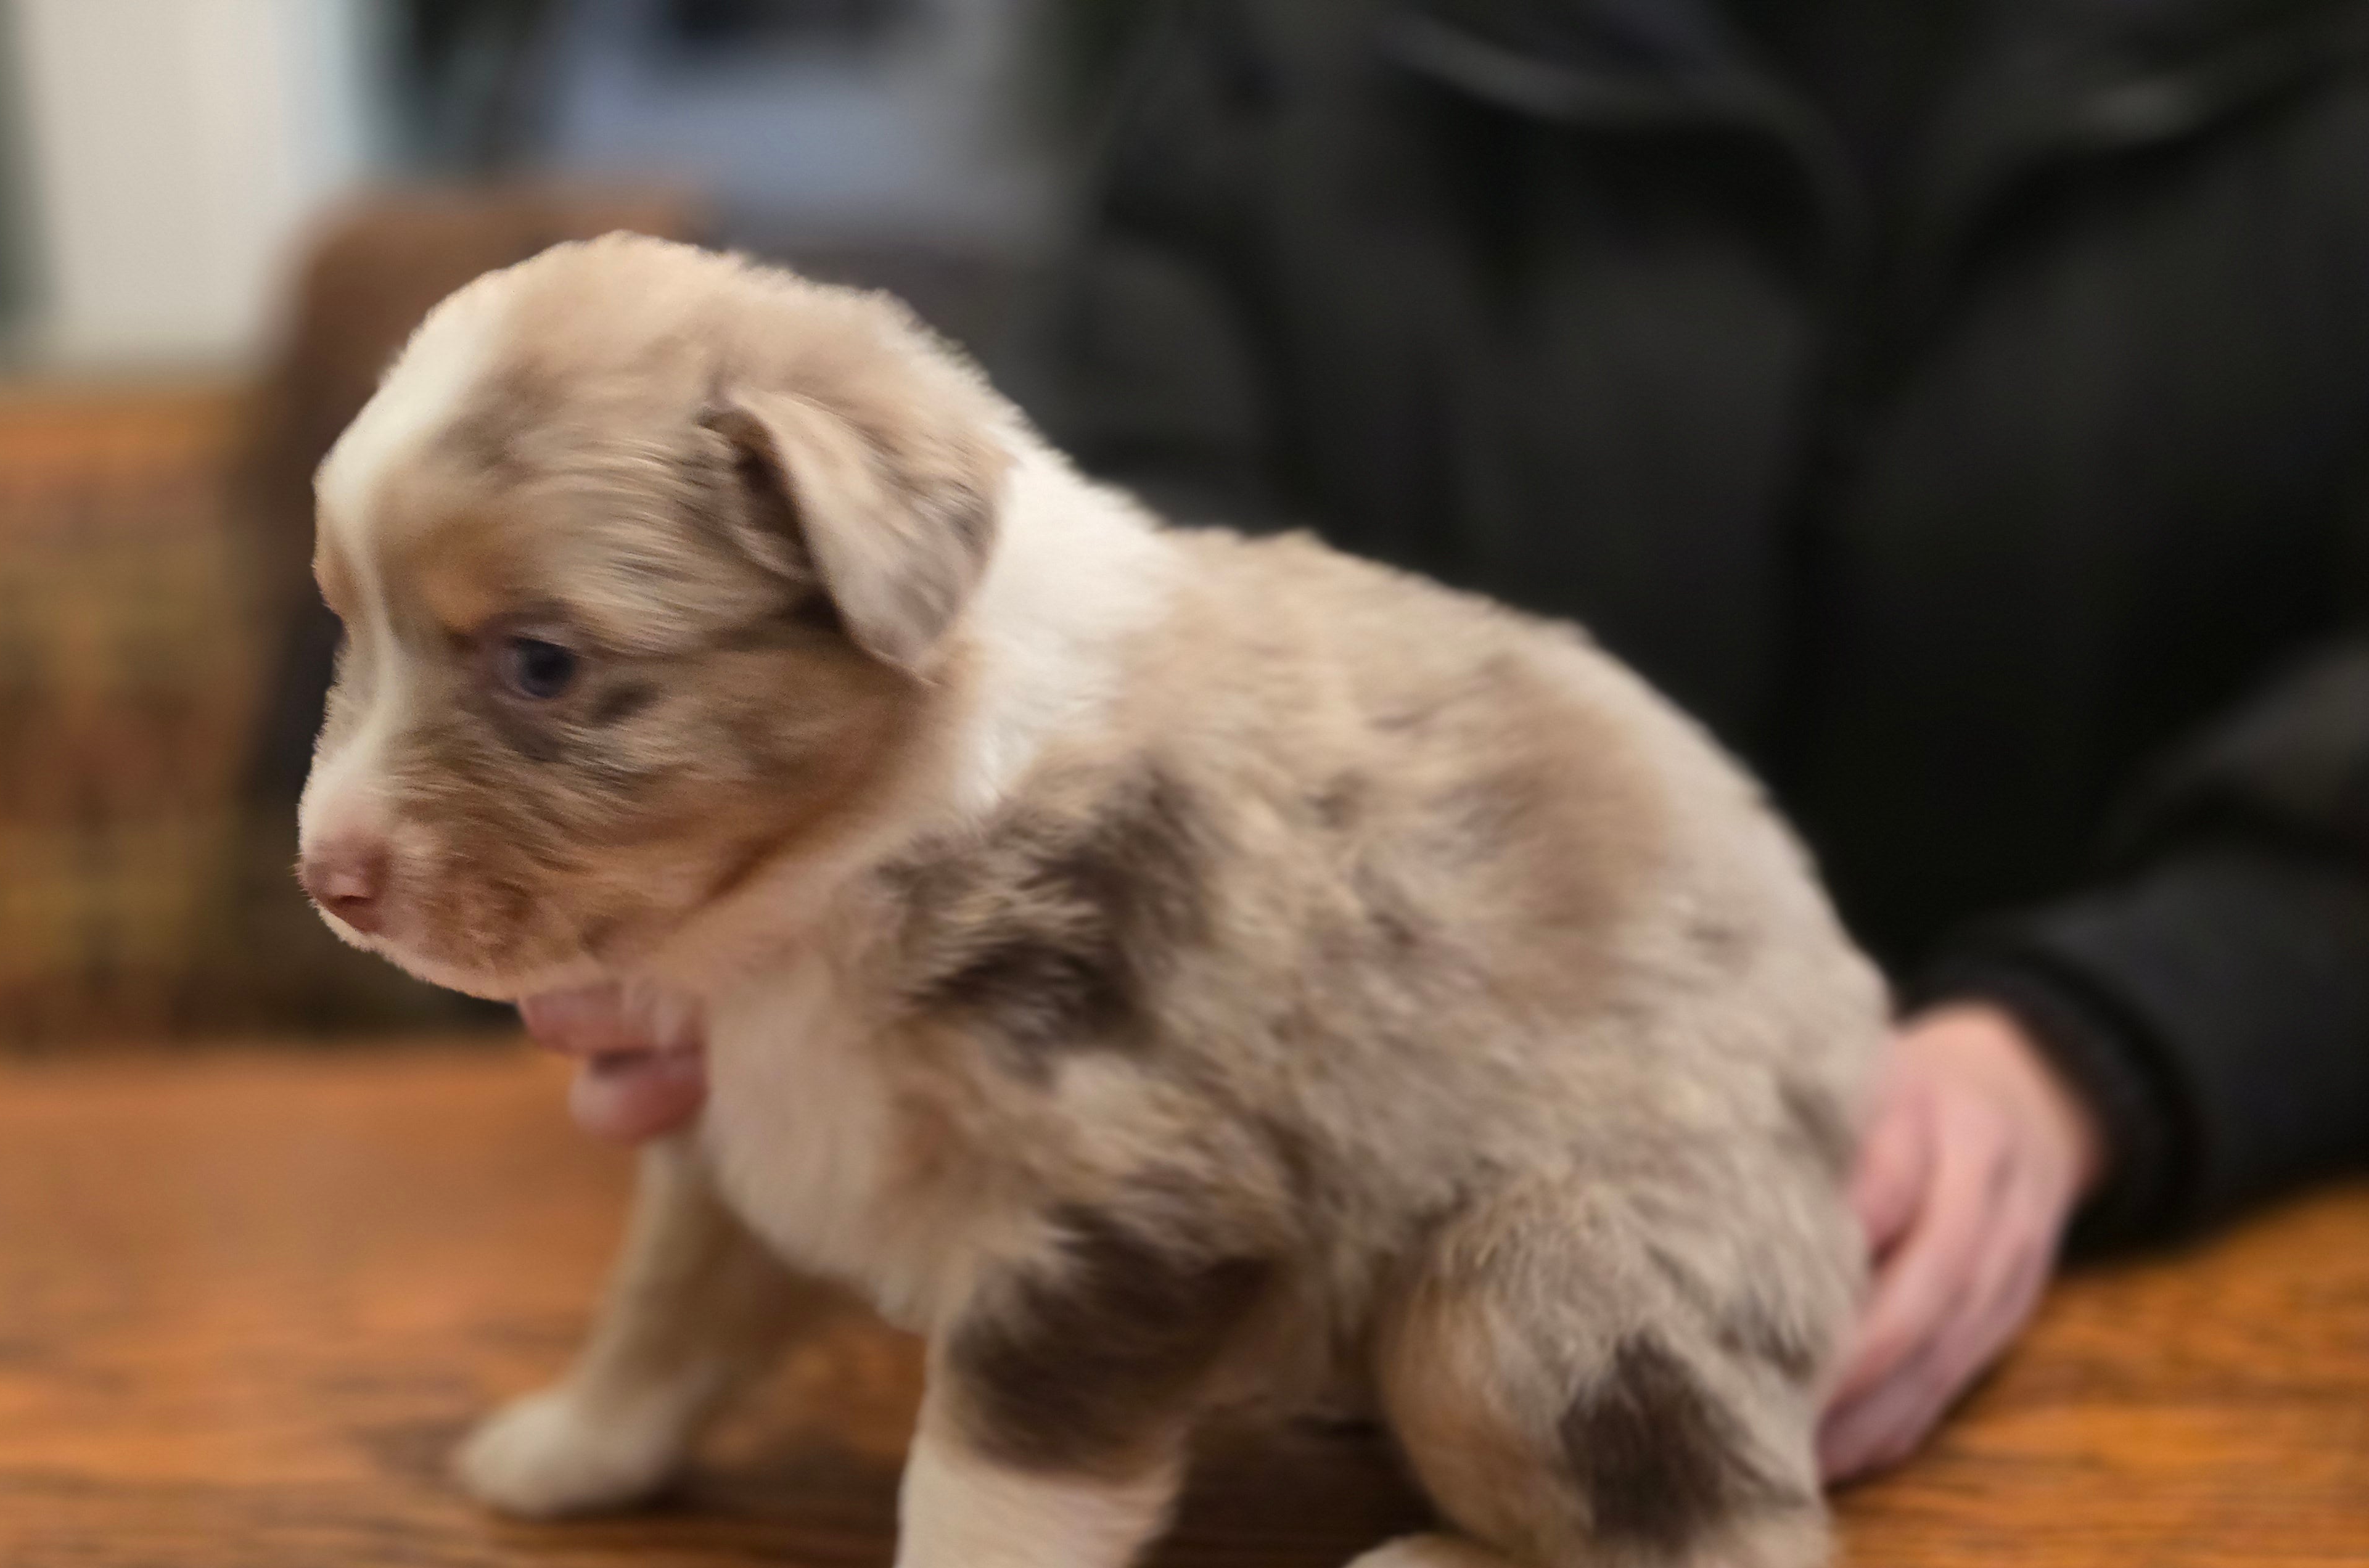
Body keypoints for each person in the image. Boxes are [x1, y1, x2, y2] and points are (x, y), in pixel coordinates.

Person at [523, 0, 2369, 1482]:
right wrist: (896, 852)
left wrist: (2100, 1042)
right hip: (1309, 1333)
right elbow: (1106, 562)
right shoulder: (1285, 66)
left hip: (2186, 1335)